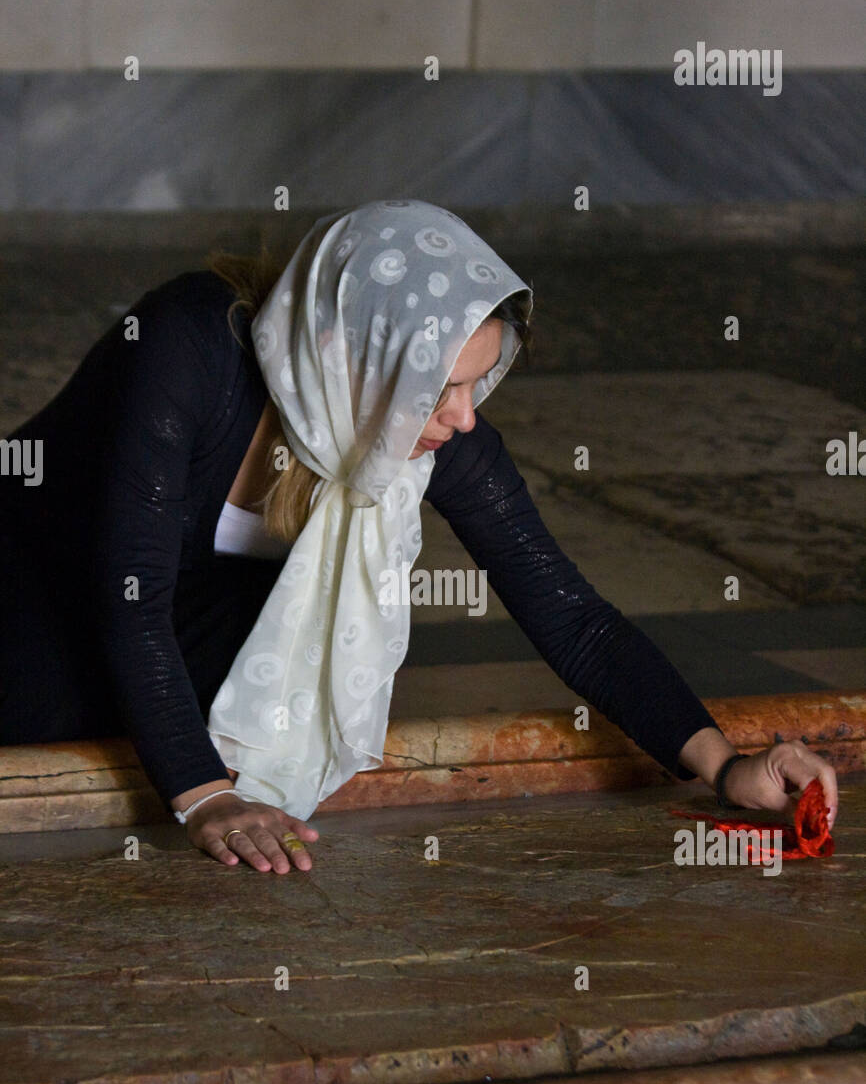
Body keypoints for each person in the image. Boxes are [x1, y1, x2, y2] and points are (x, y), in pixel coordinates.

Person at [0, 200, 837, 875]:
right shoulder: (188, 342)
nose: (464, 417)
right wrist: (204, 796)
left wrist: (725, 765)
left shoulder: (430, 424)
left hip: (172, 626)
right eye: (443, 386)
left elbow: (572, 615)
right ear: (353, 350)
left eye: (478, 383)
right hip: (33, 592)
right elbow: (129, 595)